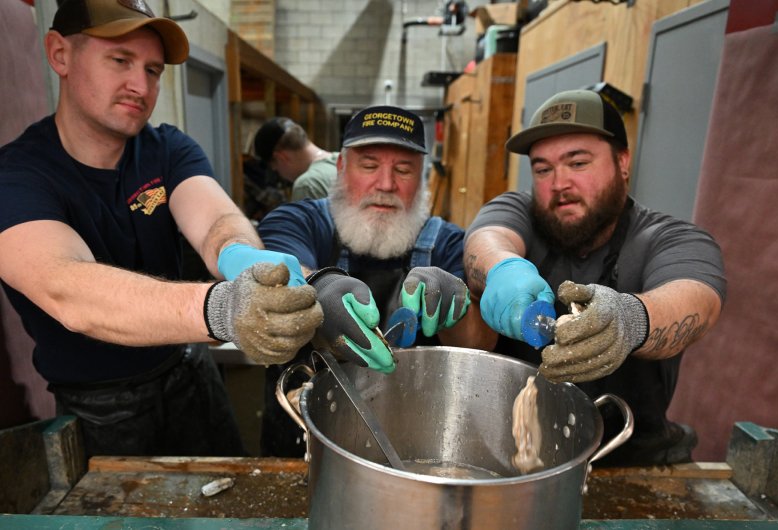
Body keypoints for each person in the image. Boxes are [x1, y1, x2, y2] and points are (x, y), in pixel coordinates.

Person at [0, 0, 323, 458]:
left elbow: (215, 220)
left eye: (153, 70)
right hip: (102, 406)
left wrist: (243, 260)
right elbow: (69, 291)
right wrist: (223, 308)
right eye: (120, 61)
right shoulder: (18, 178)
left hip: (189, 369)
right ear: (59, 55)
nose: (141, 85)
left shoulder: (166, 148)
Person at [464, 89, 726, 466]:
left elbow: (697, 297)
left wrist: (629, 320)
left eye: (578, 163)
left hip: (628, 458)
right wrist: (502, 267)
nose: (559, 183)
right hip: (510, 456)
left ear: (623, 162)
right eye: (543, 169)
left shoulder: (669, 238)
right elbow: (487, 239)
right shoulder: (519, 209)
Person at [257, 105, 494, 455]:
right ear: (340, 168)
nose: (385, 185)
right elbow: (272, 273)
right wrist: (317, 284)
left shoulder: (447, 244)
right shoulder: (300, 222)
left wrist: (454, 308)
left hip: (412, 445)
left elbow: (480, 341)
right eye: (369, 166)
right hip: (305, 441)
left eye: (404, 169)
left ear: (423, 178)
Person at [254, 117, 338, 201]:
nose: (281, 175)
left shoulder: (307, 186)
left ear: (282, 158)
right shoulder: (343, 160)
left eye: (276, 168)